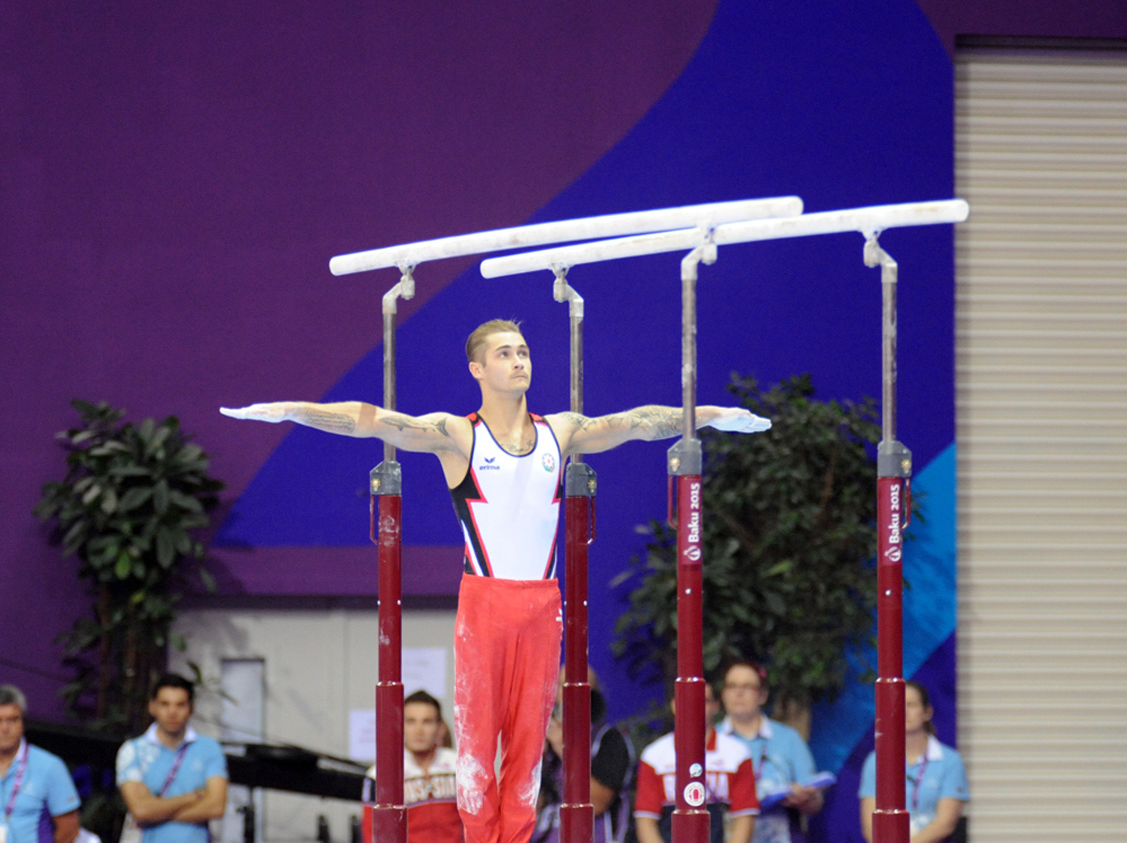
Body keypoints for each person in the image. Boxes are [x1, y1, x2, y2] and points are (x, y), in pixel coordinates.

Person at [222, 318, 771, 843]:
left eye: (524, 352)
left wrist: (711, 414)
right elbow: (372, 419)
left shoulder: (562, 431)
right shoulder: (458, 435)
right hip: (484, 603)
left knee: (529, 750)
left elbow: (636, 422)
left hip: (541, 605)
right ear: (477, 369)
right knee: (479, 750)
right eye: (504, 353)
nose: (518, 361)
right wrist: (294, 410)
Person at [633, 682, 758, 843]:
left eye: (703, 701)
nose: (694, 706)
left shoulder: (737, 753)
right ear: (674, 705)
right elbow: (646, 821)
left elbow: (744, 817)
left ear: (715, 706)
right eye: (687, 700)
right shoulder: (654, 756)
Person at [717, 662, 823, 843]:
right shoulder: (709, 740)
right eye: (732, 686)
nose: (738, 693)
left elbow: (816, 802)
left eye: (747, 687)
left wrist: (804, 799)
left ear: (762, 695)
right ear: (723, 694)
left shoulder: (788, 738)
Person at [115, 674, 228, 843]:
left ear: (191, 708)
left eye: (180, 705)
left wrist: (155, 809)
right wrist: (192, 798)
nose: (172, 712)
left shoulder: (210, 749)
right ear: (152, 707)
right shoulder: (133, 751)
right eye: (164, 704)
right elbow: (140, 811)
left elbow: (216, 807)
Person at [858, 681, 968, 843]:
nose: (904, 711)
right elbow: (870, 825)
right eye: (897, 705)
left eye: (911, 705)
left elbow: (946, 823)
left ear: (927, 712)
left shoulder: (950, 760)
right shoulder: (875, 760)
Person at [533, 666, 632, 843]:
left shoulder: (609, 739)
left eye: (579, 687)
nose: (568, 694)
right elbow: (528, 809)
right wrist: (533, 762)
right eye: (563, 686)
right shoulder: (542, 739)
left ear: (594, 695)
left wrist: (565, 750)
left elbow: (598, 801)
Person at [361, 689, 462, 843]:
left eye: (427, 721)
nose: (418, 730)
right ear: (399, 726)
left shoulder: (459, 766)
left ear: (440, 728)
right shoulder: (380, 775)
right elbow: (373, 834)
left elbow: (478, 821)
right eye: (410, 721)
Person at [0, 684, 81, 843]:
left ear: (23, 723)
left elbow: (69, 830)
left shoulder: (50, 766)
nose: (4, 728)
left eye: (12, 720)